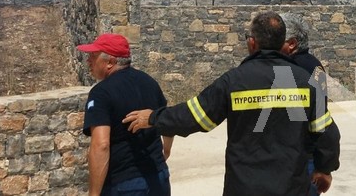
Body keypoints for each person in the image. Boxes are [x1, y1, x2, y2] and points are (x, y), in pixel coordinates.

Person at [123, 11, 340, 196]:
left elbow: (194, 116)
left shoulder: (234, 81)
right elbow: (326, 133)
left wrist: (152, 117)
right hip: (291, 186)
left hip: (244, 187)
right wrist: (325, 168)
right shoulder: (306, 82)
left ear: (252, 42)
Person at [78, 33, 173, 196]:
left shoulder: (101, 93)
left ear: (110, 62)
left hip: (123, 184)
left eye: (93, 56)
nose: (88, 61)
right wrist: (166, 150)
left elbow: (101, 145)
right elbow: (167, 119)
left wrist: (93, 194)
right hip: (158, 176)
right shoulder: (149, 82)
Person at [280, 12, 327, 196]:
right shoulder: (315, 65)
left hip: (295, 156)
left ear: (292, 44)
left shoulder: (291, 69)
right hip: (309, 155)